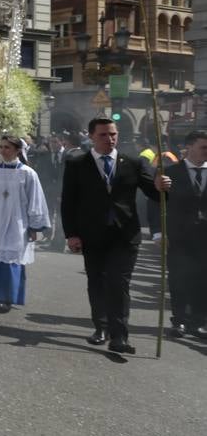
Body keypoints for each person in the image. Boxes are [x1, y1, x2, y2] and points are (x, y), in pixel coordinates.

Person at [60, 117, 160, 354]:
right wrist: (71, 234)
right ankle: (101, 327)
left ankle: (120, 336)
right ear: (92, 136)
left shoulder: (133, 163)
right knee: (96, 281)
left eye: (113, 134)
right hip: (92, 234)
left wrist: (161, 186)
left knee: (118, 282)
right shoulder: (77, 163)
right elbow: (69, 202)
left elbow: (155, 195)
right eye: (104, 135)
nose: (110, 139)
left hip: (125, 234)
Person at [0, 135, 50, 312]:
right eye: (1, 147)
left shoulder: (28, 173)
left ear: (17, 150)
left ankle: (7, 297)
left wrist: (34, 226)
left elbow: (35, 201)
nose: (3, 150)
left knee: (12, 258)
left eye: (7, 147)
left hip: (17, 223)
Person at [154, 130, 207, 338]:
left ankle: (199, 321)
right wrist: (158, 232)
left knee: (203, 279)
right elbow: (157, 203)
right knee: (179, 278)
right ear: (190, 147)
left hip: (204, 237)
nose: (206, 151)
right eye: (203, 147)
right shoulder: (171, 173)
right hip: (179, 235)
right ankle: (179, 321)